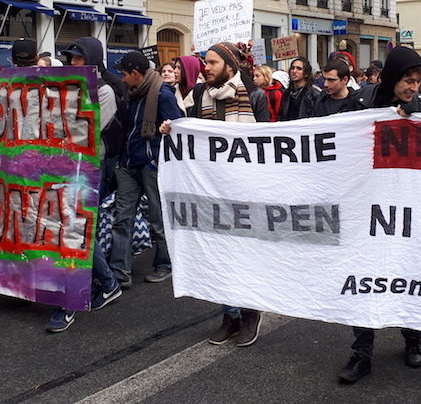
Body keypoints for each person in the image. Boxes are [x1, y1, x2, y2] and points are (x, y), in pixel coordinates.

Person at [161, 42, 268, 347]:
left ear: (230, 67)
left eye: (212, 63)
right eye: (205, 62)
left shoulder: (255, 97)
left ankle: (250, 313)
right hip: (210, 190)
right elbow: (186, 126)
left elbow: (265, 144)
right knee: (218, 254)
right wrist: (171, 127)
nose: (205, 67)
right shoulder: (197, 95)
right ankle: (229, 316)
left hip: (242, 189)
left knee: (243, 254)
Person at [339, 46, 421, 385]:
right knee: (363, 280)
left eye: (419, 82)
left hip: (405, 208)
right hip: (365, 205)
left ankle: (413, 340)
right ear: (394, 76)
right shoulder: (362, 102)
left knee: (408, 277)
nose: (413, 88)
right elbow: (340, 140)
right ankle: (361, 354)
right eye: (409, 80)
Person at [45, 37, 126, 332]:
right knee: (73, 229)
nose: (73, 64)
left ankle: (70, 300)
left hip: (88, 168)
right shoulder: (66, 89)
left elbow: (85, 130)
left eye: (79, 59)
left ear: (92, 59)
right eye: (71, 59)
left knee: (74, 229)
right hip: (60, 166)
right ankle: (107, 281)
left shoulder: (104, 91)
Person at [109, 51, 181, 290]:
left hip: (151, 165)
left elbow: (177, 129)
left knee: (158, 218)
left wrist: (155, 158)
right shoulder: (133, 94)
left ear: (136, 74)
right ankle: (120, 273)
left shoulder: (162, 94)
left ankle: (165, 265)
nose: (122, 78)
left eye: (124, 74)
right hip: (129, 165)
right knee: (122, 219)